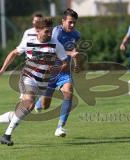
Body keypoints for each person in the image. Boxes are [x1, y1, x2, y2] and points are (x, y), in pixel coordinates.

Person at [0, 17, 68, 146]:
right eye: (46, 31)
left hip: (42, 83)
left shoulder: (56, 44)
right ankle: (6, 135)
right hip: (27, 78)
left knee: (22, 111)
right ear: (38, 31)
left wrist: (56, 69)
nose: (50, 34)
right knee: (29, 104)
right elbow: (13, 53)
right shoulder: (29, 41)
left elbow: (65, 63)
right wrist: (1, 70)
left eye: (50, 31)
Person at [34, 8, 80, 137]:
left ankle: (60, 127)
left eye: (74, 23)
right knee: (45, 106)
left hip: (64, 70)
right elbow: (52, 49)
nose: (72, 25)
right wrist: (71, 53)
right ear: (63, 21)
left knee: (69, 93)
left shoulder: (76, 34)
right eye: (70, 22)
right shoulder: (56, 32)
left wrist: (76, 63)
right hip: (50, 71)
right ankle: (39, 102)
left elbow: (73, 48)